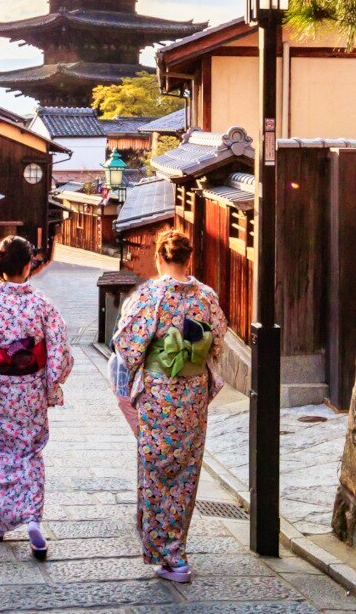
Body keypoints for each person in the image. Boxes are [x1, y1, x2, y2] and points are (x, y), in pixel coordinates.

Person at [113, 229, 225, 583]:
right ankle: (177, 549)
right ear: (188, 259)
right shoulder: (206, 296)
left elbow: (127, 346)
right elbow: (218, 342)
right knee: (186, 471)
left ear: (160, 258)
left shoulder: (150, 295)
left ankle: (169, 555)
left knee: (156, 468)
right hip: (192, 393)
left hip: (161, 394)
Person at [0, 235, 74, 559]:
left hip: (0, 393)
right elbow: (59, 346)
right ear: (27, 266)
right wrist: (52, 379)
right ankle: (33, 518)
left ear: (1, 265)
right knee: (29, 454)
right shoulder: (40, 303)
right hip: (31, 390)